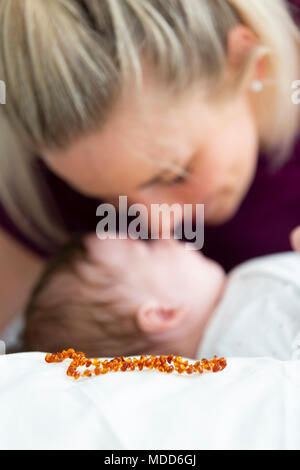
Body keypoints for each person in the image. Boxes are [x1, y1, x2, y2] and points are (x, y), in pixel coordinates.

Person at [1, 0, 300, 335]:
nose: (160, 227)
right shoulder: (35, 192)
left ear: (249, 65)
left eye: (174, 174)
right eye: (106, 199)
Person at [25, 233, 300, 362]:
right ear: (162, 313)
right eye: (148, 246)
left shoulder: (237, 297)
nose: (166, 236)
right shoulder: (242, 334)